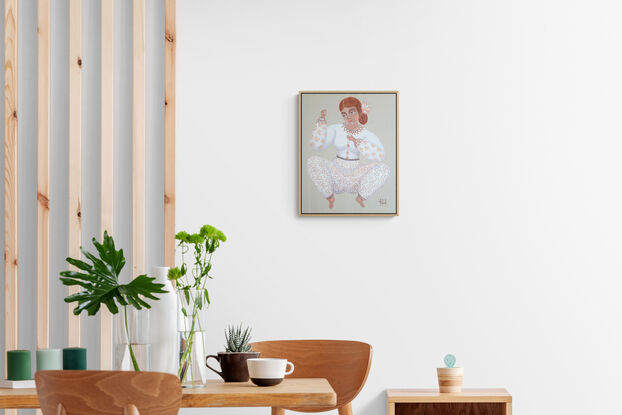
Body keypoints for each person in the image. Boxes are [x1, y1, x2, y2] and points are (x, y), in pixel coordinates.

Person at [307, 97, 390, 208]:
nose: (348, 117)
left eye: (352, 112)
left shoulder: (367, 133)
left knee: (384, 168)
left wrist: (359, 143)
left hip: (356, 177)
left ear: (359, 112)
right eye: (344, 114)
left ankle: (361, 196)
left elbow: (380, 155)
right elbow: (317, 145)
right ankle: (329, 196)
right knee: (312, 160)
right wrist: (321, 123)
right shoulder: (336, 128)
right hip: (336, 174)